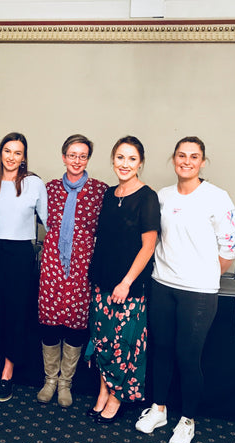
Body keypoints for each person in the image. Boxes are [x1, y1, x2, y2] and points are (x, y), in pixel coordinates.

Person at [135, 136, 235, 443]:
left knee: (188, 356)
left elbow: (230, 247)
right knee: (161, 350)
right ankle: (159, 410)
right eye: (182, 155)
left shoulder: (217, 198)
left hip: (199, 292)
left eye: (194, 157)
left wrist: (205, 274)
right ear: (173, 159)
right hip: (162, 284)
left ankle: (188, 420)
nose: (187, 161)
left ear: (202, 162)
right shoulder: (163, 196)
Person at [84, 136, 160, 422]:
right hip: (102, 281)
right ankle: (103, 391)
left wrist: (126, 282)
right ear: (113, 160)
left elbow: (148, 246)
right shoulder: (108, 194)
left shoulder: (147, 197)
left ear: (140, 162)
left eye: (131, 159)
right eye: (120, 157)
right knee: (103, 341)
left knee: (123, 345)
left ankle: (116, 397)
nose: (124, 164)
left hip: (128, 286)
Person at [0, 132, 48, 402]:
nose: (12, 157)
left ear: (24, 157)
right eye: (7, 151)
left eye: (18, 152)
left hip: (20, 253)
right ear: (0, 153)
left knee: (15, 314)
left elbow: (47, 221)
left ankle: (7, 374)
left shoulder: (34, 184)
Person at [37, 134, 108, 408]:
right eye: (72, 154)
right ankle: (50, 380)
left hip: (82, 265)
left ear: (87, 159)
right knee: (50, 321)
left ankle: (66, 383)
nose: (76, 160)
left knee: (76, 323)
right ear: (63, 156)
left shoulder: (100, 190)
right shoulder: (50, 188)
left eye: (82, 155)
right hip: (53, 262)